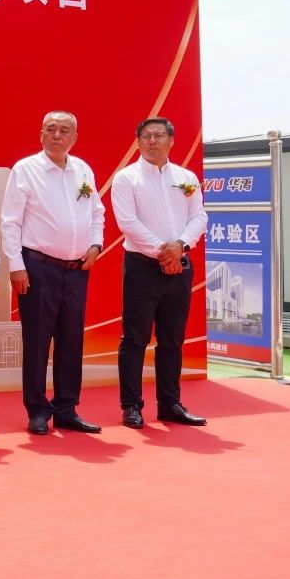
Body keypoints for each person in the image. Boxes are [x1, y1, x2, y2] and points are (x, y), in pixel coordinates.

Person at [1, 111, 106, 435]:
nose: (57, 135)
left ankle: (66, 408)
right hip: (38, 267)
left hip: (76, 269)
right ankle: (36, 410)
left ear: (74, 137)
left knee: (71, 340)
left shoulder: (83, 169)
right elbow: (10, 222)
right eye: (51, 129)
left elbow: (97, 213)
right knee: (37, 341)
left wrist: (96, 245)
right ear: (41, 134)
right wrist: (16, 266)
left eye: (64, 130)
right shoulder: (25, 169)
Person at [111, 116, 209, 429]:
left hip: (180, 265)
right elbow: (127, 223)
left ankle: (170, 403)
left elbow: (199, 217)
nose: (152, 141)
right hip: (142, 266)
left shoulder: (186, 176)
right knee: (135, 338)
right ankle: (131, 406)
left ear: (171, 141)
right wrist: (162, 253)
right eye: (146, 136)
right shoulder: (127, 178)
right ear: (138, 142)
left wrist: (180, 246)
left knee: (172, 339)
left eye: (158, 135)